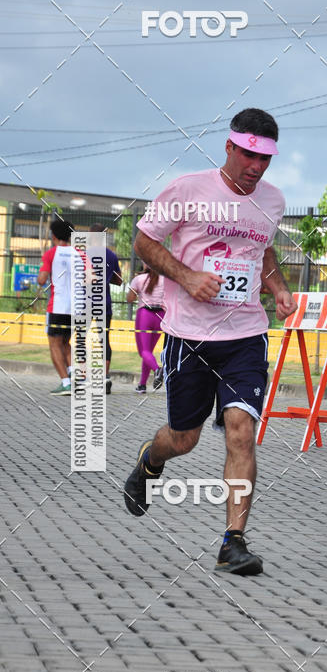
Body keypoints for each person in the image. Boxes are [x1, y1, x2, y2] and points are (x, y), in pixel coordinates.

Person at [123, 108, 297, 575]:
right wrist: (187, 276)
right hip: (190, 336)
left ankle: (232, 543)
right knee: (184, 438)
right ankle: (150, 461)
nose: (256, 167)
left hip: (245, 336)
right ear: (229, 147)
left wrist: (278, 288)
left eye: (265, 158)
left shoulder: (273, 201)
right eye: (248, 155)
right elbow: (144, 242)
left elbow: (262, 250)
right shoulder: (188, 190)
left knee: (241, 430)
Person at [38, 218, 76, 395]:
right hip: (75, 308)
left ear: (53, 236)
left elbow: (42, 280)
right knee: (66, 342)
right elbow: (92, 278)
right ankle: (74, 375)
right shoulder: (79, 253)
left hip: (57, 306)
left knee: (54, 344)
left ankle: (66, 383)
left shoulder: (51, 253)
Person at [88, 223, 123, 394]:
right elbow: (119, 281)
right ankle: (105, 377)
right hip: (104, 302)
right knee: (104, 340)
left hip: (86, 301)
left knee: (80, 338)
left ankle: (80, 377)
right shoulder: (111, 255)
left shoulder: (83, 253)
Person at [126, 265, 166, 392]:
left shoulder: (139, 279)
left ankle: (157, 370)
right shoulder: (165, 279)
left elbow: (130, 299)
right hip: (160, 316)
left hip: (145, 314)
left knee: (143, 351)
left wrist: (134, 289)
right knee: (148, 351)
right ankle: (142, 385)